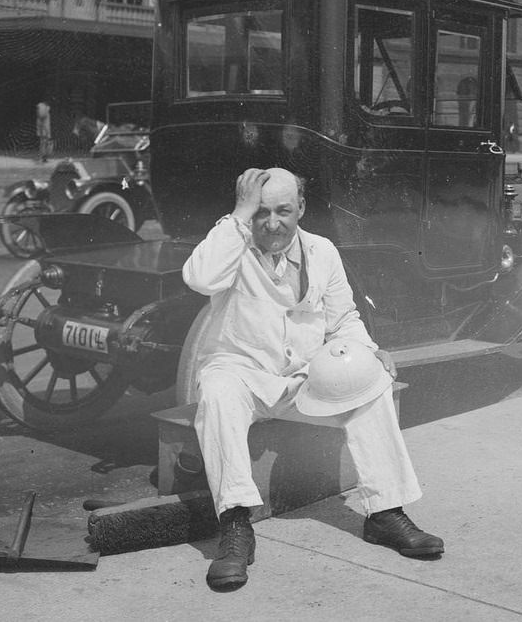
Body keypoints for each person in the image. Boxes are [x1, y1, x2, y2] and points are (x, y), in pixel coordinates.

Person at [182, 167, 443, 591]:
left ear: (301, 208)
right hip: (241, 373)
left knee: (369, 385)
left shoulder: (322, 251)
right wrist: (237, 215)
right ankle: (235, 526)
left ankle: (385, 513)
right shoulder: (232, 244)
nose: (272, 223)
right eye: (261, 212)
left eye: (283, 211)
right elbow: (198, 278)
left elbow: (344, 320)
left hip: (303, 378)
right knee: (216, 391)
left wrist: (367, 350)